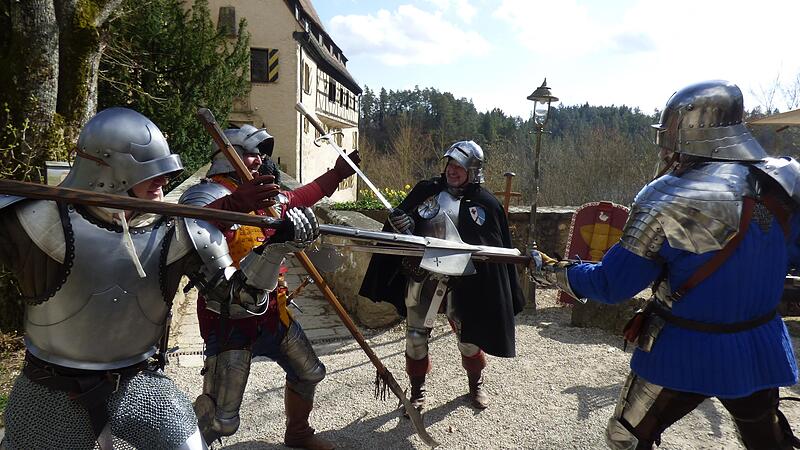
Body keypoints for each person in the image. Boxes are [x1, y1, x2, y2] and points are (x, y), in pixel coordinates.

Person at [0, 108, 318, 450]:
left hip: (138, 380)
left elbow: (240, 298)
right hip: (49, 387)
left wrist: (274, 250)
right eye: (151, 173)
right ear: (107, 169)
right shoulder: (32, 219)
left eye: (166, 172)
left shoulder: (177, 229)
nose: (164, 181)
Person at [530, 80, 800, 449]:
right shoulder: (784, 182)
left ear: (691, 132)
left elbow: (614, 284)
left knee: (625, 436)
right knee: (767, 442)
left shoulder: (668, 196)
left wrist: (553, 272)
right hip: (758, 344)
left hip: (684, 349)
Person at [183, 123, 360, 450]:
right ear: (226, 156)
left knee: (309, 373)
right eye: (250, 154)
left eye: (260, 155)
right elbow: (187, 224)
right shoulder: (208, 192)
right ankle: (195, 444)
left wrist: (336, 175)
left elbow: (302, 196)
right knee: (221, 416)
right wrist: (234, 205)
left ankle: (298, 433)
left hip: (273, 311)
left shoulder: (267, 194)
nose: (258, 160)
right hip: (228, 317)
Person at [359, 140, 525, 413]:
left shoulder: (485, 203)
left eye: (460, 167)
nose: (453, 171)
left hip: (464, 280)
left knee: (469, 338)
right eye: (450, 165)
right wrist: (402, 223)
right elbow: (405, 223)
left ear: (473, 171)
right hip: (423, 274)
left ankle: (476, 384)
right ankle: (417, 392)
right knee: (415, 336)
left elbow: (495, 243)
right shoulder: (427, 191)